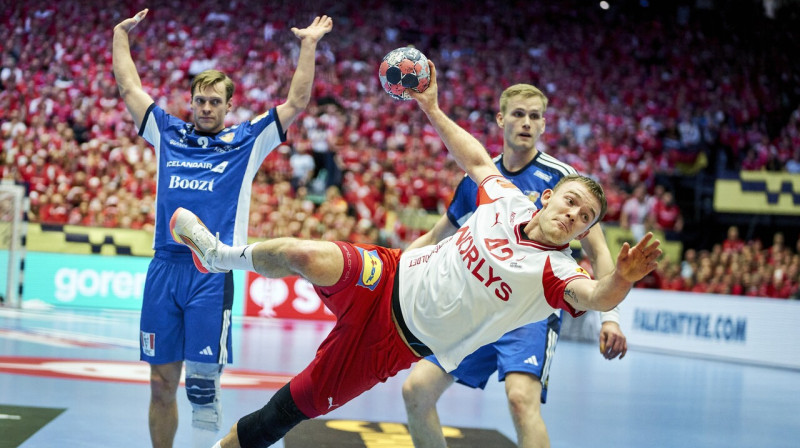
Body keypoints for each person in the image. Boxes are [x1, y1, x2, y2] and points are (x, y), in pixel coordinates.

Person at [169, 60, 661, 448]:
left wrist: (623, 281)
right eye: (571, 202)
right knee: (304, 253)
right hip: (389, 275)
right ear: (547, 195)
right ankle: (219, 256)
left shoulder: (558, 270)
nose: (574, 215)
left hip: (396, 342)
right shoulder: (507, 196)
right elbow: (472, 158)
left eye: (585, 216)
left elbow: (595, 294)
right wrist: (430, 107)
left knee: (293, 407)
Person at [112, 9, 333, 448]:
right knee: (160, 384)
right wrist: (120, 35)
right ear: (191, 102)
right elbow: (128, 87)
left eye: (216, 101)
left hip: (211, 277)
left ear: (229, 105)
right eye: (200, 100)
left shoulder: (246, 142)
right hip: (164, 271)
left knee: (201, 391)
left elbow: (296, 103)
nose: (207, 107)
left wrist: (308, 45)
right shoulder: (167, 132)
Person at [401, 83, 627, 448]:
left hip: (531, 312)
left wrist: (611, 316)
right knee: (416, 390)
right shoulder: (479, 175)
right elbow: (436, 236)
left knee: (521, 400)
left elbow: (599, 252)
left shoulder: (562, 178)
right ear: (501, 118)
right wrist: (395, 271)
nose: (526, 122)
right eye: (519, 114)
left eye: (535, 116)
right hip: (479, 307)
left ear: (543, 125)